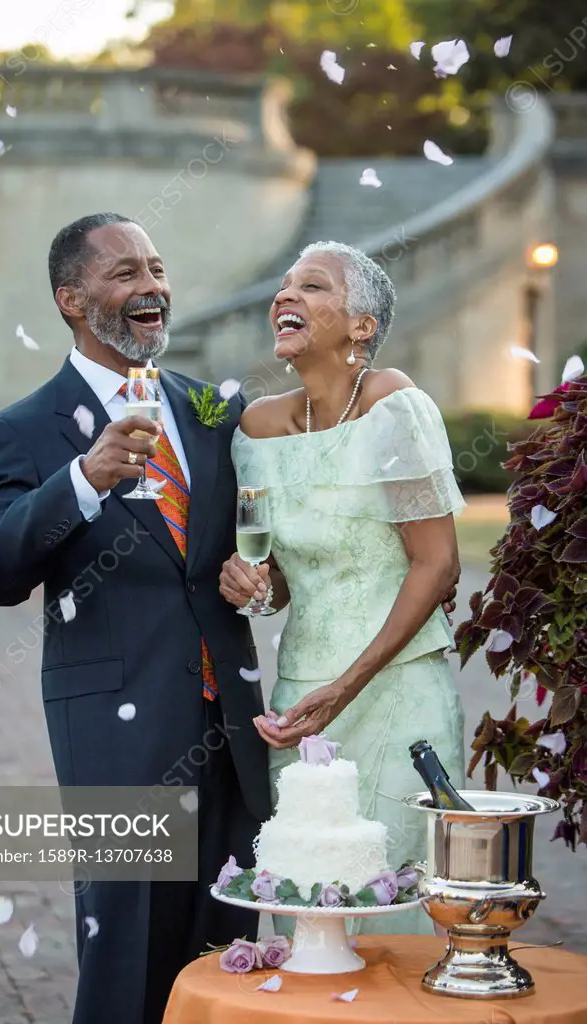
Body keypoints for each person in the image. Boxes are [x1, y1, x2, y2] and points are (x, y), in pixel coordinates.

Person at [0, 213, 271, 1023]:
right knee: (127, 949)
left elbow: (247, 549)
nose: (152, 288)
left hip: (232, 726)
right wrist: (82, 480)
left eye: (157, 270)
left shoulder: (209, 412)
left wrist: (259, 576)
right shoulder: (24, 430)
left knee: (229, 949)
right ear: (72, 298)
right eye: (125, 273)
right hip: (117, 732)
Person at [220, 240, 466, 936]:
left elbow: (437, 564)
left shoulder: (395, 408)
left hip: (395, 689)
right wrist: (253, 587)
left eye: (313, 286)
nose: (285, 296)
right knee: (310, 905)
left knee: (393, 907)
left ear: (362, 326)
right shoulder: (255, 430)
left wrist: (348, 684)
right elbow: (282, 584)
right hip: (302, 698)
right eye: (285, 284)